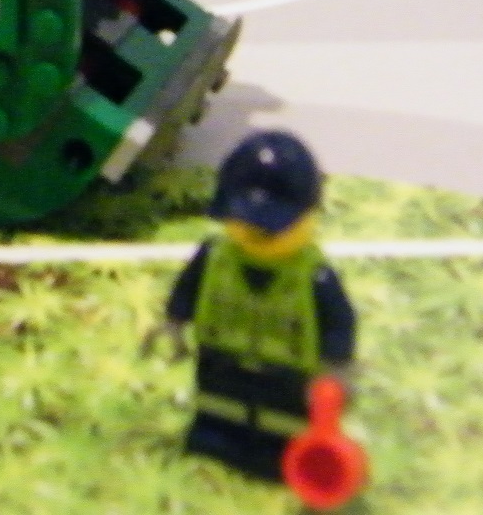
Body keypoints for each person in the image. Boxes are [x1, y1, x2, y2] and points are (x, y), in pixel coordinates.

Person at [143, 130, 356, 481]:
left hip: (286, 372)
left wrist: (337, 367)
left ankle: (276, 451)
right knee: (217, 406)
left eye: (270, 227)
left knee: (281, 418)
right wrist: (174, 321)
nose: (255, 233)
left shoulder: (314, 277)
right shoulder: (214, 256)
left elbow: (338, 322)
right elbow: (188, 289)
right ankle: (215, 436)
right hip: (220, 359)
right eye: (245, 222)